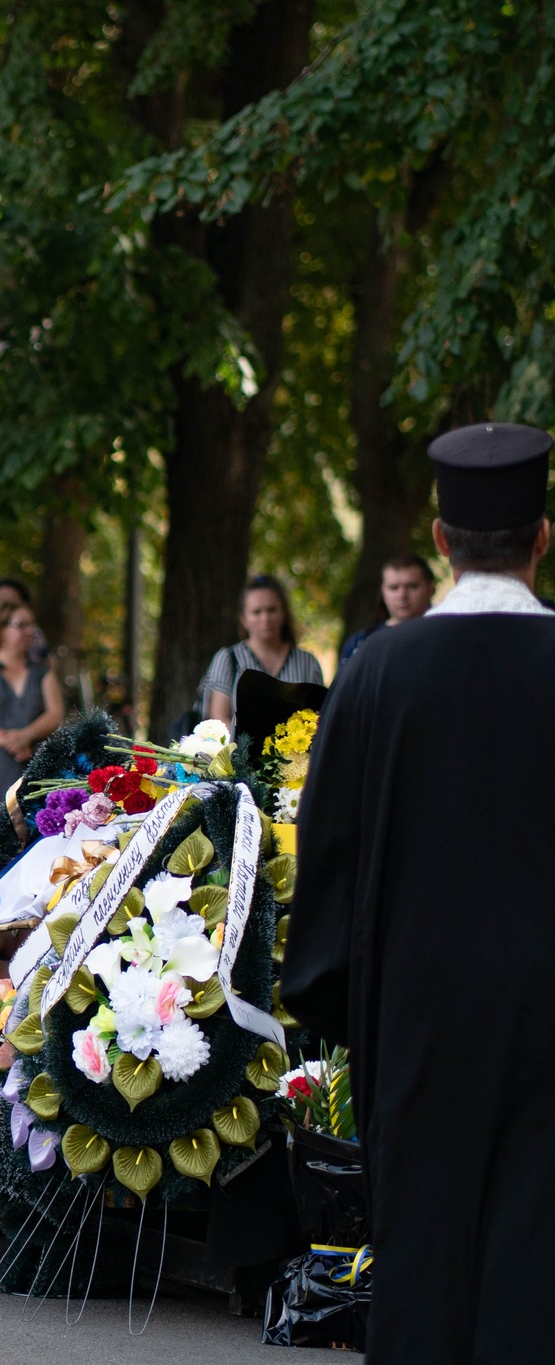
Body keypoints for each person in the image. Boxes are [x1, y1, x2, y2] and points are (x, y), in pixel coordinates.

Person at [285, 421, 555, 1360]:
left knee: (423, 1252)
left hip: (416, 1010)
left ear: (440, 539)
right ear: (543, 536)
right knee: (537, 1255)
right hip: (548, 1011)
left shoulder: (378, 672)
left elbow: (328, 848)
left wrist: (327, 994)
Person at [0, 598, 65, 834]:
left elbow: (55, 713)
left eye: (32, 626)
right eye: (21, 625)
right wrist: (10, 740)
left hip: (30, 770)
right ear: (1, 630)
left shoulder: (42, 672)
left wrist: (26, 735)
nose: (29, 632)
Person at [199, 573, 325, 726]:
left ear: (283, 613)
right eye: (256, 612)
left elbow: (319, 717)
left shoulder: (307, 663)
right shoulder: (228, 659)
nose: (265, 619)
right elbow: (218, 719)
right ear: (244, 619)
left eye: (271, 610)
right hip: (239, 748)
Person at [339, 553, 436, 662]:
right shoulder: (359, 643)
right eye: (393, 588)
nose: (402, 595)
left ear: (431, 589)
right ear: (382, 591)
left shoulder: (442, 636)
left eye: (412, 586)